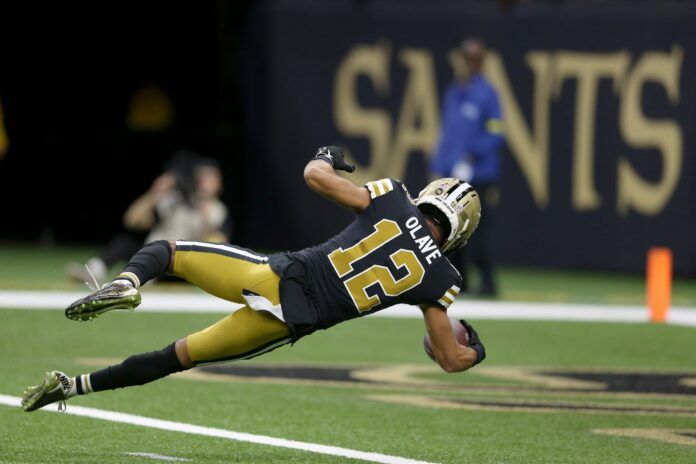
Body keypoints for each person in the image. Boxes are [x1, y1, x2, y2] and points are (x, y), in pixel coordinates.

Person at [21, 146, 486, 412]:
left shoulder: (391, 197)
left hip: (276, 277)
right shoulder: (441, 280)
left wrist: (327, 155)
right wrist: (476, 350)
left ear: (433, 195)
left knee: (166, 252)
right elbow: (450, 359)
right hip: (291, 321)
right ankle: (73, 387)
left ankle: (127, 282)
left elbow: (315, 177)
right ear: (460, 230)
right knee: (175, 357)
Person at [67, 153, 231, 283]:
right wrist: (155, 192)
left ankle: (132, 276)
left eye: (210, 178)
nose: (204, 183)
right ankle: (96, 271)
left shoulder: (218, 210)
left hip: (180, 261)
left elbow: (218, 247)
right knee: (125, 243)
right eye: (201, 178)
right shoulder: (174, 200)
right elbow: (132, 221)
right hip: (153, 250)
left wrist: (204, 212)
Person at [430, 38, 504, 297]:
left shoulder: (487, 94)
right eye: (467, 58)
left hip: (480, 173)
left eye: (475, 59)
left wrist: (472, 155)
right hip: (454, 175)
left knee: (478, 229)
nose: (470, 64)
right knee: (451, 228)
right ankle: (461, 281)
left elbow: (496, 131)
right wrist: (440, 164)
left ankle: (488, 283)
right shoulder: (454, 92)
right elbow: (448, 133)